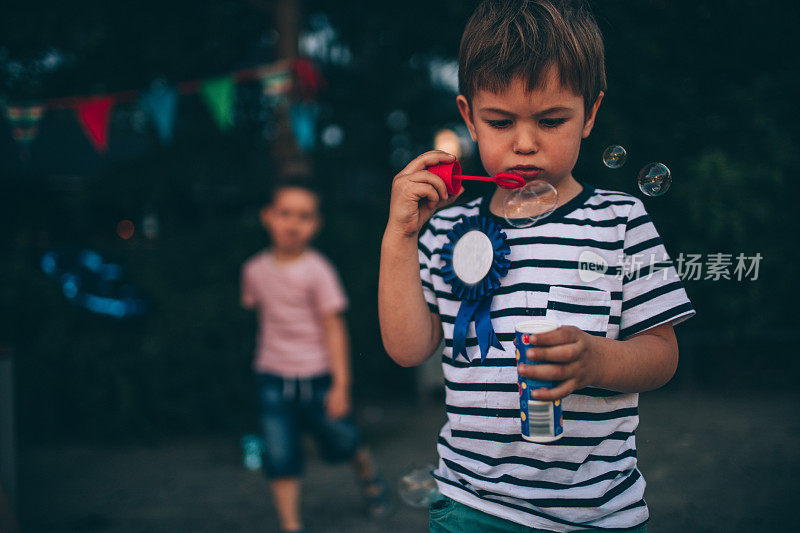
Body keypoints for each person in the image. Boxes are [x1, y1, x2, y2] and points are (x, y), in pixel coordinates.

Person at [378, 1, 694, 531]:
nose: (525, 143)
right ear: (469, 118)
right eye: (500, 122)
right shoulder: (444, 231)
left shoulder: (620, 221)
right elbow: (408, 348)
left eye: (551, 120)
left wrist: (598, 362)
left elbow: (663, 356)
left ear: (590, 113)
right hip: (469, 504)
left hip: (597, 511)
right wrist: (399, 237)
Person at [241, 180, 389, 532]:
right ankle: (290, 524)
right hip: (272, 377)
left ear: (316, 224)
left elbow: (334, 328)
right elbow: (261, 314)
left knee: (345, 440)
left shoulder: (318, 270)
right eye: (285, 213)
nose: (293, 223)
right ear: (267, 217)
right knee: (279, 455)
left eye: (304, 216)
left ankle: (370, 478)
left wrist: (341, 384)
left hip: (319, 377)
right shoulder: (253, 271)